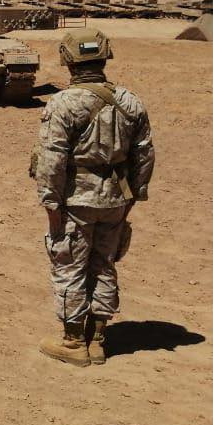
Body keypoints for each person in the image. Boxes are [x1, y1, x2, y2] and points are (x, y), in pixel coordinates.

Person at [30, 29, 154, 367]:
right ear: (104, 57)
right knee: (104, 264)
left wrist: (51, 204)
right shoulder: (130, 100)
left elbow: (52, 158)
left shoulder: (63, 103)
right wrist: (133, 197)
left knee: (69, 264)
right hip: (115, 200)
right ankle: (98, 339)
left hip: (75, 201)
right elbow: (144, 154)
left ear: (67, 59)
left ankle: (72, 343)